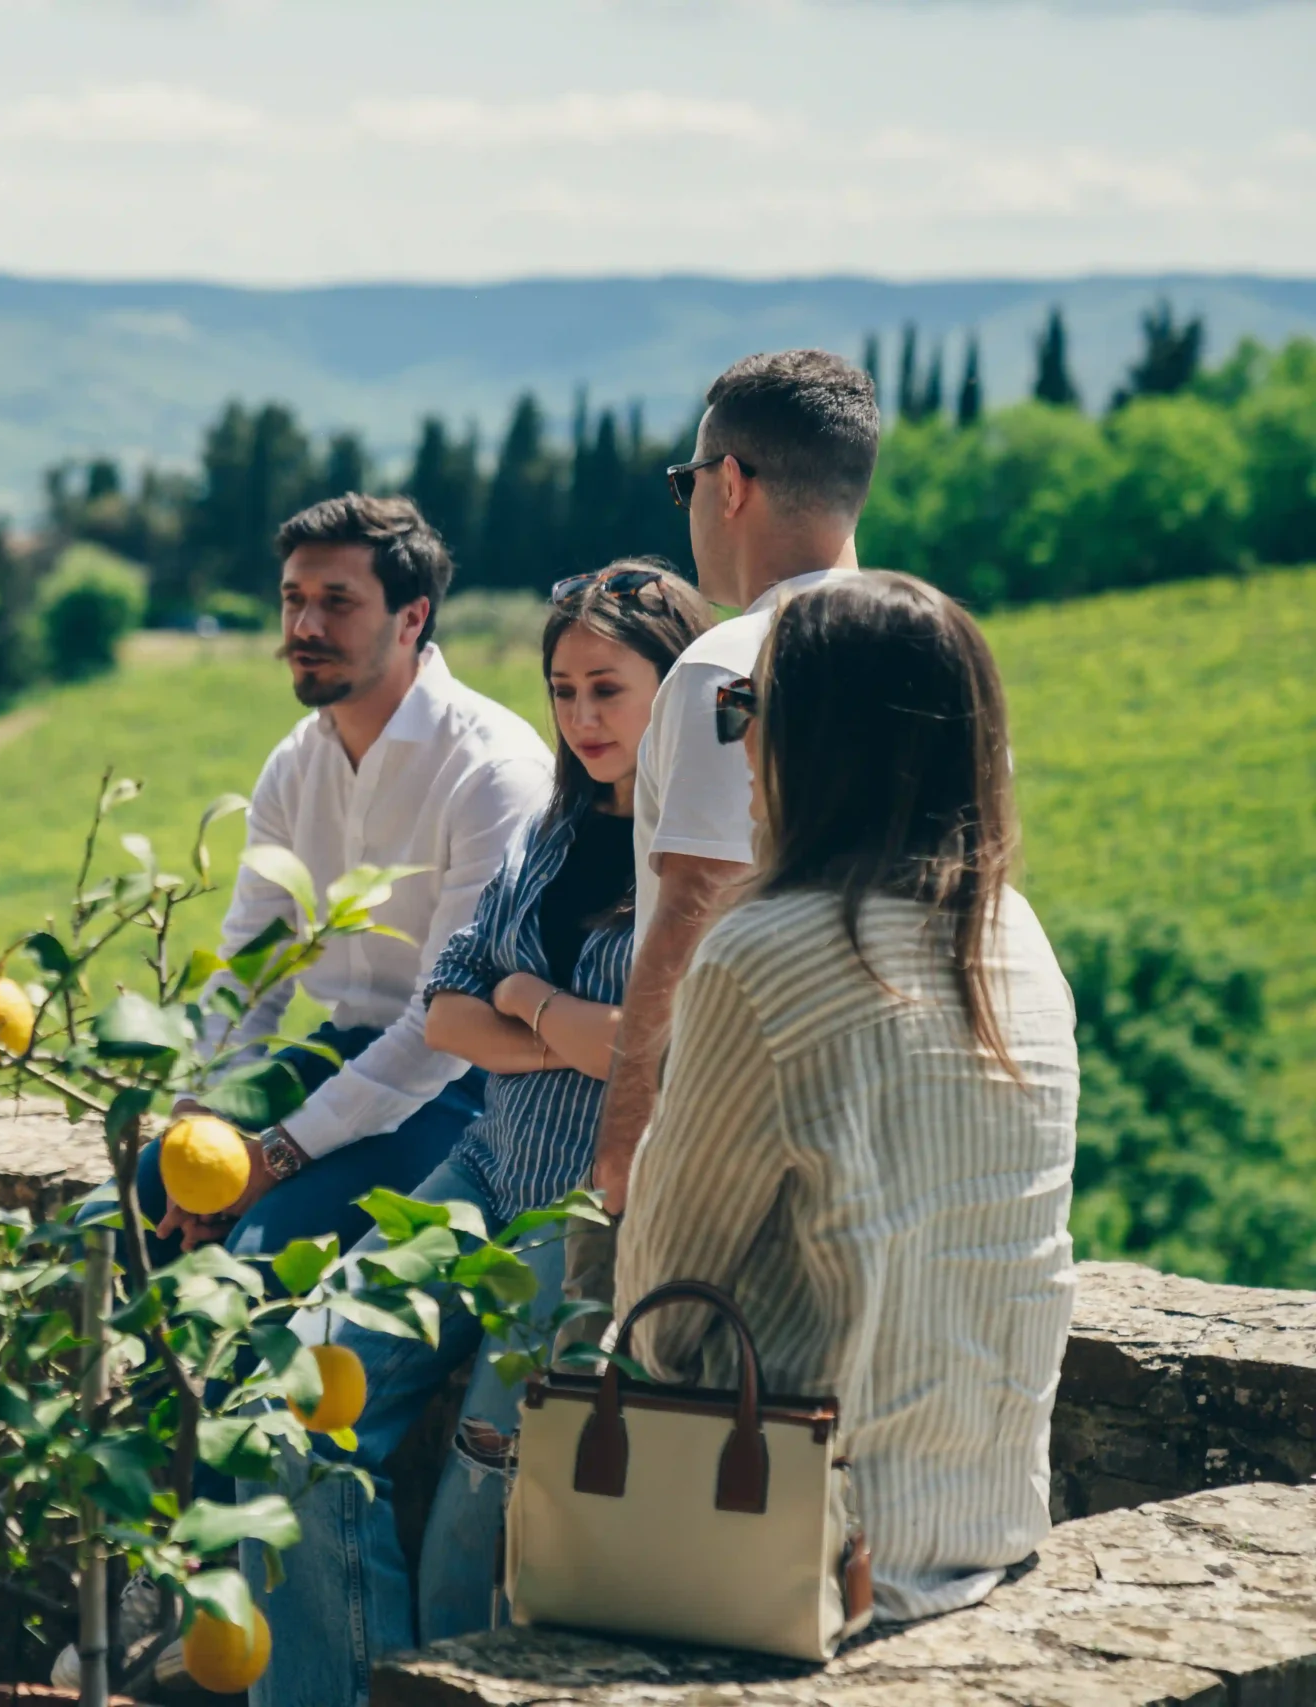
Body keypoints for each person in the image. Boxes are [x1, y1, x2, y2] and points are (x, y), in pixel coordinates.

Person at [245, 560, 714, 1707]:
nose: (583, 719)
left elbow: (675, 1050)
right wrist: (578, 1026)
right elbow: (451, 1010)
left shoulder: (701, 869)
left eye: (608, 689)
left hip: (592, 1218)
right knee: (291, 1397)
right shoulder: (550, 834)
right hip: (481, 1175)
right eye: (563, 692)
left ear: (680, 691)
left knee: (482, 1508)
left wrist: (530, 1003)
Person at [617, 572, 1079, 1622]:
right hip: (988, 1528)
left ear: (817, 737)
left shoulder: (761, 952)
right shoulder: (1017, 943)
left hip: (810, 1551)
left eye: (747, 708)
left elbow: (664, 1306)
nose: (734, 743)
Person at [126, 493, 552, 1264]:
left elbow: (437, 1032)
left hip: (459, 1089)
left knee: (262, 1251)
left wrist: (274, 1156)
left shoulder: (494, 771)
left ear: (412, 617)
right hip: (336, 1056)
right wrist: (197, 1124)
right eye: (293, 600)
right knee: (128, 1205)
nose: (305, 628)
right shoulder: (296, 761)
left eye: (337, 602)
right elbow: (249, 973)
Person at [590, 350, 881, 1238]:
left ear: (728, 484)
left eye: (685, 483)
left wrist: (626, 1133)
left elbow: (692, 908)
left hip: (732, 1125)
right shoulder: (930, 654)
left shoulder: (726, 668)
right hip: (880, 1121)